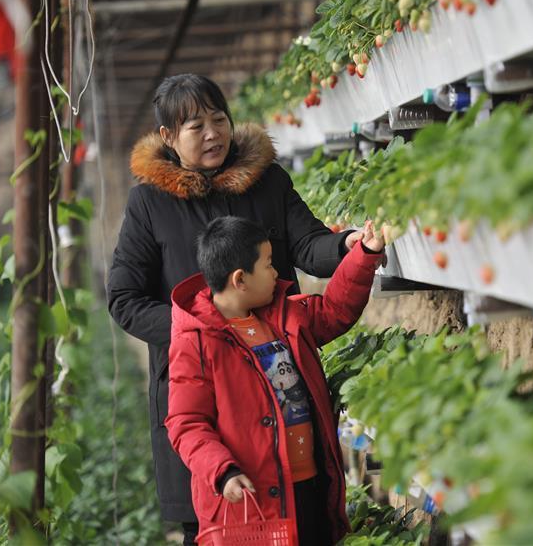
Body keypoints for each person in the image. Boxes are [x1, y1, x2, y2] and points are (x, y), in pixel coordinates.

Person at [107, 74, 366, 544]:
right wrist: (199, 332)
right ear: (168, 137)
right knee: (217, 518)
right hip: (200, 386)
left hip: (276, 375)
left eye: (218, 119)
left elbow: (308, 244)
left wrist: (347, 246)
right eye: (196, 127)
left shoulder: (266, 181)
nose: (212, 134)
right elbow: (124, 299)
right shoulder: (150, 202)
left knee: (301, 507)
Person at [165, 216, 387, 544]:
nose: (275, 273)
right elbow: (186, 423)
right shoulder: (196, 342)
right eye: (268, 265)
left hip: (308, 486)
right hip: (253, 502)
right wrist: (222, 470)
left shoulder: (282, 315)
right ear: (240, 279)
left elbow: (333, 311)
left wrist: (365, 254)